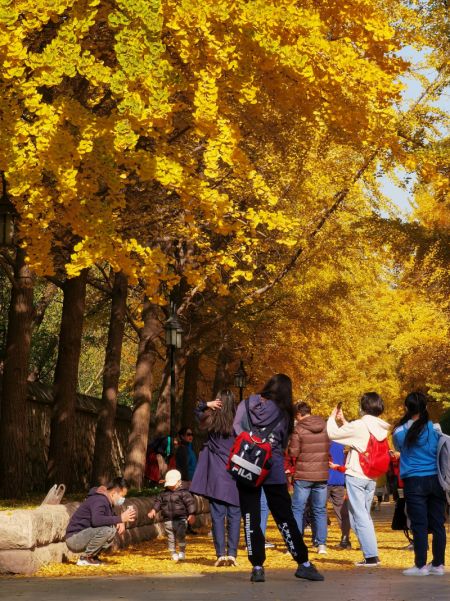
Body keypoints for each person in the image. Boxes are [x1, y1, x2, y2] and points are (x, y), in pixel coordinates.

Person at [233, 373, 324, 582]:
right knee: (284, 516)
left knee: (250, 518)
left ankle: (257, 566)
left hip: (247, 465)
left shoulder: (246, 404)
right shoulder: (283, 412)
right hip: (271, 468)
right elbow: (283, 440)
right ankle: (303, 562)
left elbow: (236, 429)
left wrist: (251, 442)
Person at [327, 392, 390, 567]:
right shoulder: (380, 427)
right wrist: (344, 421)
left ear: (363, 407)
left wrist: (332, 418)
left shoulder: (360, 425)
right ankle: (369, 554)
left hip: (357, 474)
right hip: (371, 476)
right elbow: (360, 438)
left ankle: (371, 556)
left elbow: (332, 434)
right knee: (359, 517)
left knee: (360, 516)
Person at [393, 391, 446, 576]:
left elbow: (399, 448)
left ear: (406, 408)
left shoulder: (400, 432)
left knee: (419, 525)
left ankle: (420, 565)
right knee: (438, 524)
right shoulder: (436, 429)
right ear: (426, 408)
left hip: (414, 481)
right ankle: (438, 565)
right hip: (435, 480)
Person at [190, 389, 241, 566]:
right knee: (235, 515)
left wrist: (207, 404)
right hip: (236, 474)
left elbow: (195, 412)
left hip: (217, 475)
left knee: (218, 516)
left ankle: (220, 554)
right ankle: (232, 553)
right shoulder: (239, 422)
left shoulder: (211, 421)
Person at [65, 477, 136, 566]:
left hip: (82, 536)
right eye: (122, 496)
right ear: (114, 493)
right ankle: (86, 558)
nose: (123, 499)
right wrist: (120, 518)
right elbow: (97, 520)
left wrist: (120, 521)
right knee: (108, 530)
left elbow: (109, 517)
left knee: (111, 529)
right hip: (74, 539)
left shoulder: (106, 501)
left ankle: (93, 557)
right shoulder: (99, 500)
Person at [289, 401, 330, 554]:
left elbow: (293, 452)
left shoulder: (298, 428)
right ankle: (321, 545)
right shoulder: (325, 426)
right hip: (321, 474)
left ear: (299, 414)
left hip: (303, 473)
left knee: (297, 509)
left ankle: (297, 542)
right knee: (319, 509)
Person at [148, 469, 196, 562]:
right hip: (168, 520)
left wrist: (192, 514)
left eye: (172, 484)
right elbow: (158, 502)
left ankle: (182, 551)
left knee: (181, 535)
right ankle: (173, 553)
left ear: (179, 482)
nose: (170, 487)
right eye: (169, 485)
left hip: (181, 519)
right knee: (171, 537)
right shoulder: (163, 494)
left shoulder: (184, 493)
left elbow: (190, 503)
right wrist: (154, 510)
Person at [328, 441, 351, 549]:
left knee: (318, 511)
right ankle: (345, 539)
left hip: (323, 480)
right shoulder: (344, 443)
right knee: (342, 512)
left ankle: (319, 541)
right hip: (340, 479)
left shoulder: (322, 441)